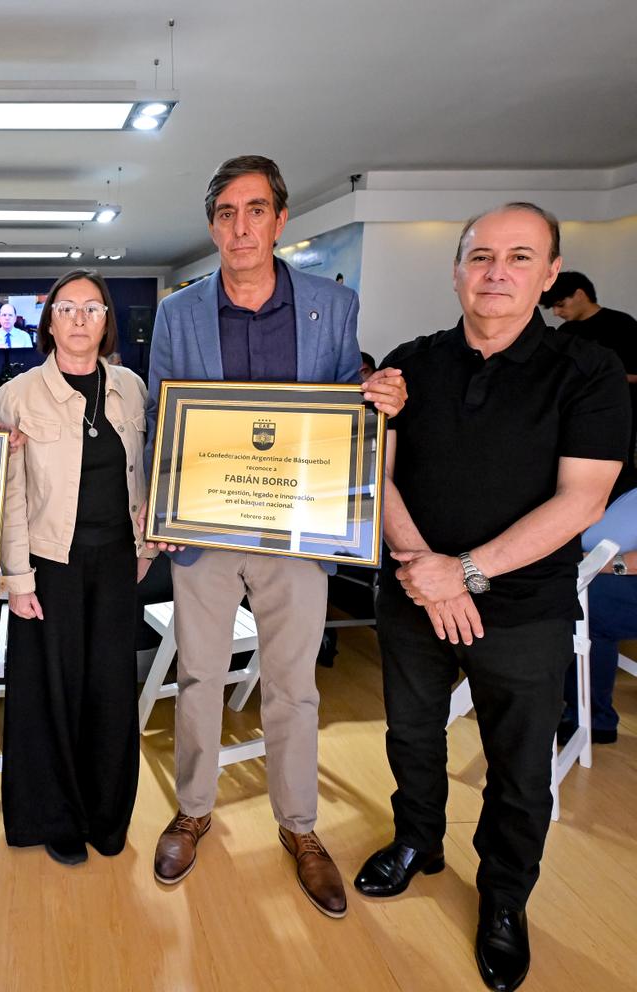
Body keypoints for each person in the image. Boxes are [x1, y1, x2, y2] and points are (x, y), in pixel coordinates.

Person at [354, 203, 628, 992]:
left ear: (548, 276)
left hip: (523, 607)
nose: (496, 272)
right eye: (480, 257)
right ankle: (418, 843)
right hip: (412, 592)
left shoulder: (590, 372)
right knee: (411, 735)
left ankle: (505, 900)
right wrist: (418, 565)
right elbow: (380, 468)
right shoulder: (412, 363)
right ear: (457, 271)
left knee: (517, 770)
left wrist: (464, 572)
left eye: (518, 258)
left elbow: (581, 500)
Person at [144, 155, 406, 917]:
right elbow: (164, 418)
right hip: (206, 530)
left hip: (297, 531)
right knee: (199, 677)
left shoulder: (331, 305)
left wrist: (376, 397)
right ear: (213, 225)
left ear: (280, 221)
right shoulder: (177, 313)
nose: (240, 226)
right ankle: (194, 810)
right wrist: (159, 511)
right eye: (226, 212)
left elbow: (342, 413)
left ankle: (299, 827)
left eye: (254, 210)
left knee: (294, 685)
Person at [0, 270, 156, 865]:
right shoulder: (19, 394)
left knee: (111, 690)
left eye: (93, 308)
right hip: (48, 564)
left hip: (117, 561)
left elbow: (139, 476)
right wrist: (17, 577)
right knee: (51, 695)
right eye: (68, 308)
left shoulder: (132, 388)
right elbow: (12, 493)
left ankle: (106, 814)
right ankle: (56, 816)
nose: (81, 319)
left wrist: (144, 547)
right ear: (50, 321)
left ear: (107, 320)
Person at [540, 270, 637, 485]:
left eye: (560, 304)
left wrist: (606, 377)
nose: (556, 312)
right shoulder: (565, 334)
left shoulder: (623, 325)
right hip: (572, 416)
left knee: (614, 476)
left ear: (580, 295)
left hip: (620, 414)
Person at [561, 487, 637, 745]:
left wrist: (593, 566)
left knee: (588, 603)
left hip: (610, 575)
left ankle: (593, 719)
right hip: (590, 568)